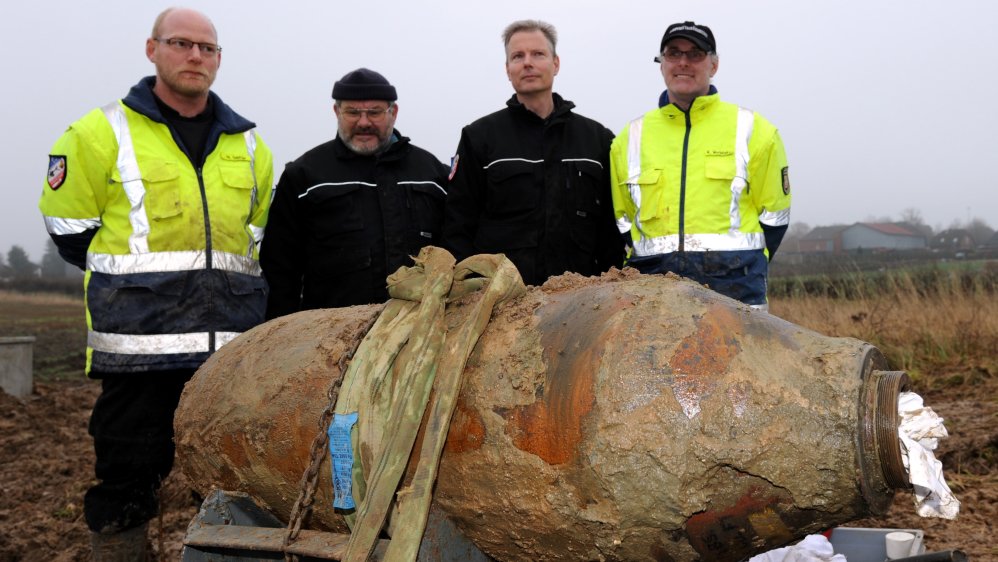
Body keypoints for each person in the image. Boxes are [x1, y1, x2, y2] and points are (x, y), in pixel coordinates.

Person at [38, 8, 273, 559]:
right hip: (138, 352)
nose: (195, 57)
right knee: (125, 478)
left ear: (218, 60)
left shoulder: (251, 146)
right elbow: (70, 231)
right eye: (181, 44)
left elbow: (255, 237)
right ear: (152, 50)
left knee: (230, 481)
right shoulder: (97, 133)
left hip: (228, 356)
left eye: (207, 49)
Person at [610, 21, 791, 309]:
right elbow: (622, 221)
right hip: (653, 295)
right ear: (661, 64)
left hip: (736, 293)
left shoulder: (754, 130)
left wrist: (744, 264)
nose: (683, 62)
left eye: (695, 54)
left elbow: (775, 218)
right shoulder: (628, 138)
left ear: (714, 65)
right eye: (673, 53)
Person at [442, 20, 622, 286]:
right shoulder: (479, 137)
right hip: (503, 303)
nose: (527, 63)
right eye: (518, 56)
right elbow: (457, 225)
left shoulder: (597, 139)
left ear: (556, 63)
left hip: (582, 304)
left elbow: (611, 229)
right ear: (507, 69)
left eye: (538, 54)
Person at [261, 68, 449, 318]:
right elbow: (280, 270)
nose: (363, 122)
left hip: (417, 330)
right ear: (337, 112)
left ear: (393, 113)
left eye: (374, 112)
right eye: (352, 112)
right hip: (328, 338)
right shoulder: (305, 177)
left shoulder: (432, 174)